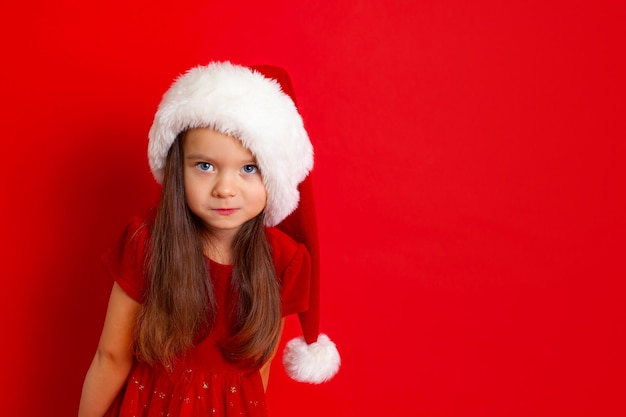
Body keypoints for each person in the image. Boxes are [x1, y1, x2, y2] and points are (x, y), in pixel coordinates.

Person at [78, 61, 340, 417]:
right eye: (205, 166)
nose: (225, 189)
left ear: (275, 176)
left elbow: (259, 369)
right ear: (177, 168)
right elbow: (111, 356)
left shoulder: (286, 261)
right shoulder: (148, 244)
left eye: (249, 168)